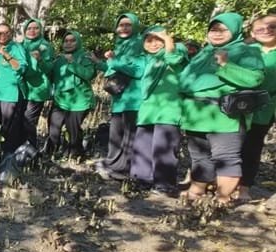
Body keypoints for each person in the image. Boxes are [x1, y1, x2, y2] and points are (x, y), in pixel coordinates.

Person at [178, 12, 265, 204]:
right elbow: (184, 79)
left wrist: (226, 65)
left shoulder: (247, 50)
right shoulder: (203, 52)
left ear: (234, 30)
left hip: (225, 116)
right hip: (196, 115)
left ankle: (222, 198)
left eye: (222, 30)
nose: (216, 33)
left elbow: (255, 79)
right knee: (199, 155)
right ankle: (197, 190)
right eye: (213, 29)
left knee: (226, 157)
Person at [130, 26, 188, 195]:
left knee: (164, 148)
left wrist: (169, 41)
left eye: (158, 40)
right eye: (149, 40)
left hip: (168, 109)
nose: (154, 44)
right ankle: (141, 180)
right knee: (143, 145)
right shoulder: (150, 60)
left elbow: (175, 59)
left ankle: (164, 184)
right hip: (149, 109)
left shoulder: (177, 51)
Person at [94, 13, 145, 181]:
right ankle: (113, 163)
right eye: (121, 25)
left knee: (128, 135)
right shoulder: (121, 45)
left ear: (135, 26)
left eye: (128, 25)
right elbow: (115, 69)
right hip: (119, 98)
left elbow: (138, 70)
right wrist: (99, 62)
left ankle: (123, 169)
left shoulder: (139, 43)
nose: (123, 28)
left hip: (133, 98)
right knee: (116, 133)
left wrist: (114, 61)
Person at [240, 14, 276, 199]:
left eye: (272, 27)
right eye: (261, 28)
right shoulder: (245, 49)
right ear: (253, 32)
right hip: (237, 105)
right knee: (229, 144)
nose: (267, 31)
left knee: (252, 146)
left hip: (265, 107)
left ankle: (244, 185)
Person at [46, 30, 96, 159]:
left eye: (72, 40)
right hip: (61, 99)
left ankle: (76, 154)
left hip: (79, 101)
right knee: (53, 127)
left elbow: (88, 75)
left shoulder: (85, 57)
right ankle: (51, 152)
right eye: (66, 41)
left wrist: (72, 63)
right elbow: (51, 76)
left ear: (78, 42)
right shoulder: (59, 59)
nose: (68, 43)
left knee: (73, 130)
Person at [0, 22, 28, 154]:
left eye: (6, 32)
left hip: (10, 94)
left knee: (9, 128)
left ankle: (9, 155)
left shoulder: (17, 48)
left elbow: (20, 68)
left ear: (11, 34)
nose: (3, 35)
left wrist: (7, 55)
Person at [20, 17, 54, 148]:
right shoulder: (22, 45)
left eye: (35, 28)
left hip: (38, 89)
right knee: (22, 120)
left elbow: (49, 68)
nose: (32, 31)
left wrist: (40, 60)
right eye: (29, 28)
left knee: (29, 120)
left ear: (40, 30)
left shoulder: (45, 46)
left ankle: (31, 149)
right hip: (23, 88)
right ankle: (22, 147)